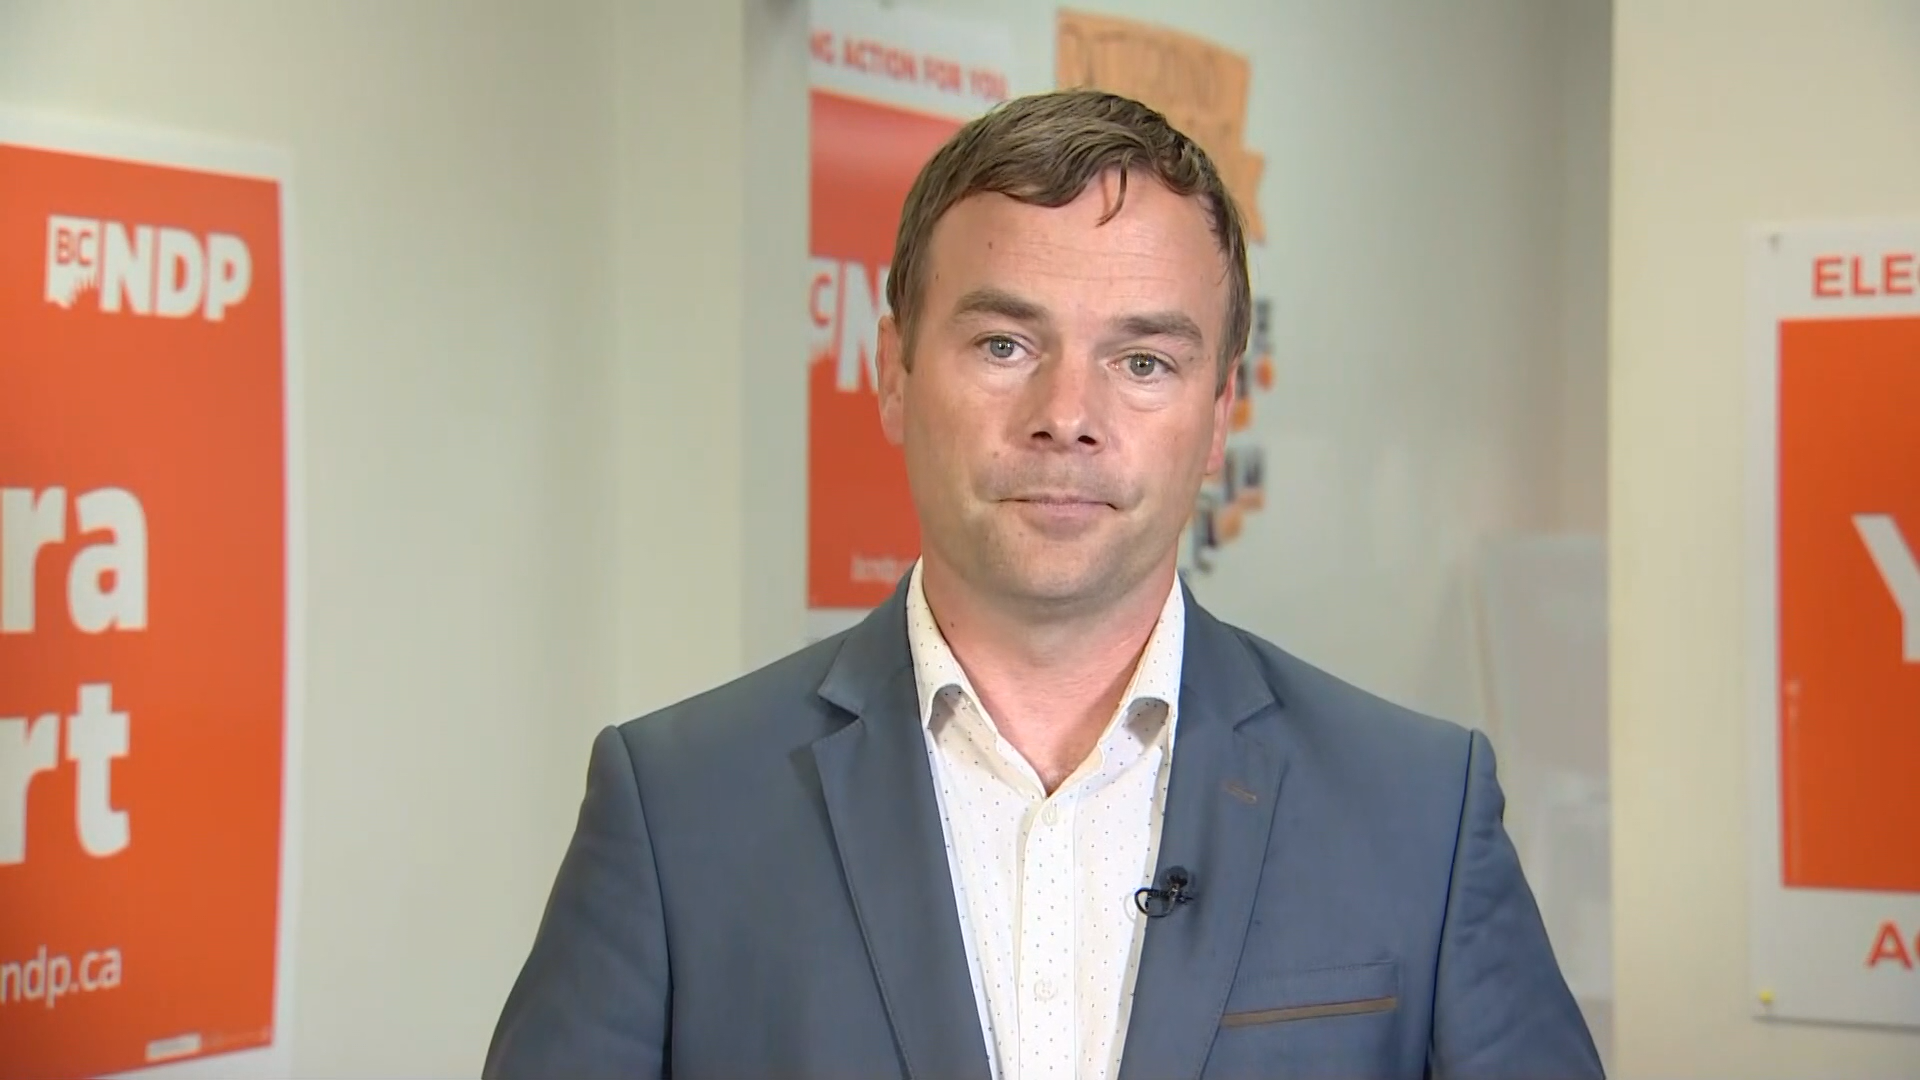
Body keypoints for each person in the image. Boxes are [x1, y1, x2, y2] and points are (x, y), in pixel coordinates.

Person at [483, 89, 1604, 1080]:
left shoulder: (1418, 812)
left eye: (1144, 361)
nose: (1069, 414)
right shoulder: (678, 813)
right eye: (1005, 346)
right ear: (893, 373)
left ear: (1219, 418)